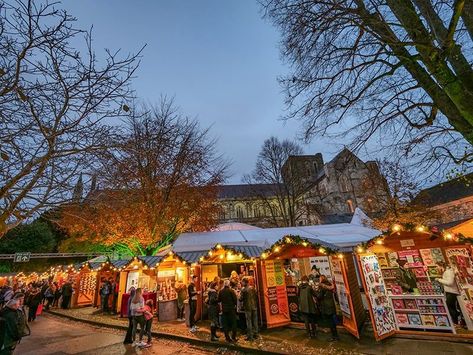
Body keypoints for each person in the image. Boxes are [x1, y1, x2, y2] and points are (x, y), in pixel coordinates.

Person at [436, 261, 461, 326]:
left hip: (452, 292)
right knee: (451, 307)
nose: (436, 268)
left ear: (441, 266)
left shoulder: (448, 272)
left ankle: (456, 323)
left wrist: (439, 280)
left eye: (437, 266)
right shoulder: (446, 272)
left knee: (450, 307)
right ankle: (455, 322)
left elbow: (450, 282)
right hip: (450, 292)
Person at [317, 275, 339, 341]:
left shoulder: (322, 287)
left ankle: (334, 336)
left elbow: (319, 296)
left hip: (326, 306)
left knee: (330, 322)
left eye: (319, 279)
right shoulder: (329, 284)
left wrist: (316, 293)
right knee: (332, 320)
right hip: (331, 305)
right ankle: (335, 335)